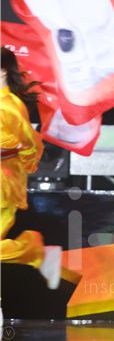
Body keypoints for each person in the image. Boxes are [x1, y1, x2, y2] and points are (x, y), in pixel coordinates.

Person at [0, 47, 62, 325]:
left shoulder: (8, 106)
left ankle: (35, 251)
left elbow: (25, 145)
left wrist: (20, 165)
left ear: (3, 72)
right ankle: (36, 252)